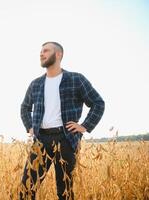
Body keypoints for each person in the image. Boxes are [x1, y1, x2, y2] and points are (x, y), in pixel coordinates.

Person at [19, 42, 105, 200]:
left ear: (58, 54)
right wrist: (29, 126)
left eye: (46, 50)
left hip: (66, 139)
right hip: (40, 141)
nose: (41, 53)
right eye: (41, 51)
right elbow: (24, 107)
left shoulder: (75, 79)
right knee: (26, 189)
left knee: (64, 192)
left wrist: (85, 126)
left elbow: (98, 103)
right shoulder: (36, 84)